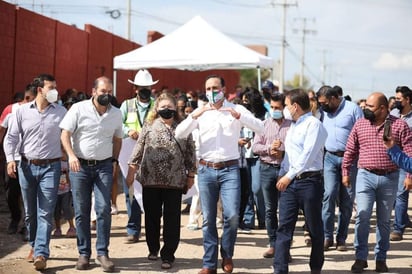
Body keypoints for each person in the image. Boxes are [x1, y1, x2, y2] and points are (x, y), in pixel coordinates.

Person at [175, 75, 264, 274]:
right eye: (208, 88)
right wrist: (195, 116)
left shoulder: (236, 109)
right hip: (206, 169)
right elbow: (179, 133)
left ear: (224, 88)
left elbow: (261, 127)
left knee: (232, 216)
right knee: (208, 218)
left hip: (230, 169)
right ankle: (208, 263)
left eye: (215, 87)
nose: (212, 91)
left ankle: (227, 253)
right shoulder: (201, 112)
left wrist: (240, 117)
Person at [342, 92, 412, 273]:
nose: (366, 109)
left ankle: (381, 258)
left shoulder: (400, 126)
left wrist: (409, 177)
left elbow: (410, 152)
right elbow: (350, 149)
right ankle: (360, 257)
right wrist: (346, 172)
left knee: (383, 221)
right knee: (362, 215)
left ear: (383, 109)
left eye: (370, 107)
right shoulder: (360, 124)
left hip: (390, 178)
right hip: (365, 176)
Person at [125, 92, 196, 270]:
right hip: (150, 180)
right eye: (162, 107)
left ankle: (168, 254)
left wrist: (191, 176)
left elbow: (190, 153)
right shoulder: (149, 127)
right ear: (156, 109)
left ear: (175, 109)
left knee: (172, 218)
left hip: (174, 181)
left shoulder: (183, 128)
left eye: (170, 107)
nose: (166, 110)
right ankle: (153, 248)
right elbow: (138, 151)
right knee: (151, 217)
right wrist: (130, 173)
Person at [4, 74, 67, 271]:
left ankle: (41, 251)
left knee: (45, 212)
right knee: (30, 213)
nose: (55, 91)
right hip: (26, 167)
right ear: (40, 90)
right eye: (51, 87)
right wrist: (9, 160)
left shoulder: (61, 112)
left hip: (52, 167)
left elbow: (68, 135)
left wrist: (69, 154)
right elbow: (11, 138)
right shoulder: (21, 112)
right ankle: (33, 245)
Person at [60, 76, 122, 272]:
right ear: (94, 91)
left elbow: (118, 139)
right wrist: (71, 156)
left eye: (109, 91)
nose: (106, 95)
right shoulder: (79, 109)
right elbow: (65, 134)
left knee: (104, 209)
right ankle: (84, 254)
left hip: (104, 165)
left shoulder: (116, 114)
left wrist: (114, 160)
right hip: (80, 167)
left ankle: (102, 253)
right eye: (103, 91)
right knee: (82, 210)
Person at [273, 89, 327, 274]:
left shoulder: (314, 125)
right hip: (289, 183)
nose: (285, 109)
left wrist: (289, 176)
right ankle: (279, 269)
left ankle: (316, 268)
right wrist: (283, 173)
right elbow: (291, 156)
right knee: (284, 228)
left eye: (287, 105)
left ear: (295, 106)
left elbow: (308, 156)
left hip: (309, 182)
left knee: (314, 229)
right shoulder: (294, 126)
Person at [316, 85, 363, 252]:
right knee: (328, 195)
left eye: (325, 103)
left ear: (335, 98)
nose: (323, 106)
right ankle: (326, 236)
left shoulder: (353, 109)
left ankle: (341, 238)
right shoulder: (322, 112)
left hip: (350, 159)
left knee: (347, 200)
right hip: (329, 158)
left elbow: (362, 133)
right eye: (320, 103)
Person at [119, 69, 158, 244]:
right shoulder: (126, 105)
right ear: (135, 88)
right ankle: (133, 229)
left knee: (152, 192)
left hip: (151, 154)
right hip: (130, 154)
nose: (144, 90)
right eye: (141, 87)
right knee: (131, 191)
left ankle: (152, 229)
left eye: (147, 87)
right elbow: (117, 125)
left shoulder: (156, 105)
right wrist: (128, 130)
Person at [252, 92, 292, 258]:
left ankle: (285, 248)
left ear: (284, 108)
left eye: (278, 107)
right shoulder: (263, 125)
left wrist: (282, 152)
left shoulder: (292, 125)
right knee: (270, 209)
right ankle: (273, 243)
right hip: (267, 169)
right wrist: (269, 148)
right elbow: (255, 147)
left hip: (285, 171)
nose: (275, 110)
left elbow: (298, 148)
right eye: (273, 107)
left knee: (286, 211)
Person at [0, 84, 36, 235]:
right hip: (12, 158)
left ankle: (27, 225)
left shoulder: (40, 111)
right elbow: (2, 129)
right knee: (11, 193)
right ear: (27, 98)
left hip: (30, 159)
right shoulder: (11, 110)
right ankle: (16, 217)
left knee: (28, 194)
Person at [239, 88, 267, 232]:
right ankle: (248, 220)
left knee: (257, 189)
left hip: (257, 156)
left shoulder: (264, 115)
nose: (244, 103)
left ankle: (263, 218)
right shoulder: (240, 115)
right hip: (243, 156)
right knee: (246, 190)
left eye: (247, 100)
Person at [389, 86, 412, 241]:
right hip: (390, 161)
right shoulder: (392, 115)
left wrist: (410, 174)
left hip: (406, 162)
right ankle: (404, 219)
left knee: (401, 195)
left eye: (399, 99)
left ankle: (398, 229)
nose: (396, 101)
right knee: (392, 197)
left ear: (408, 100)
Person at [53, 157, 76, 237]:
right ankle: (58, 228)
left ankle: (72, 227)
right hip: (55, 191)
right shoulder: (54, 162)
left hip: (66, 190)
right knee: (56, 210)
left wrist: (67, 175)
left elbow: (72, 177)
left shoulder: (69, 163)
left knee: (67, 208)